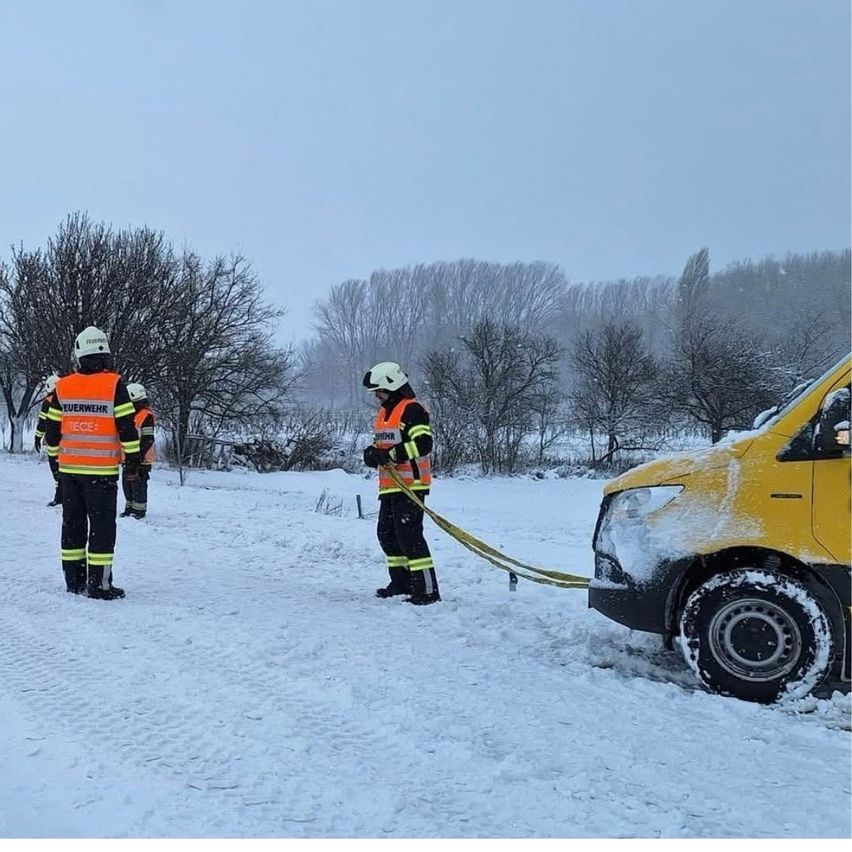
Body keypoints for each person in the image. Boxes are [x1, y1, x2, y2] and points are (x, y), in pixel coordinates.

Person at [44, 326, 141, 599]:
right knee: (101, 527)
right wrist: (132, 462)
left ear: (79, 354)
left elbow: (52, 432)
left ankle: (73, 581)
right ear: (105, 354)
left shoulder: (62, 386)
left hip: (69, 472)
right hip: (101, 473)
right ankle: (99, 585)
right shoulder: (114, 385)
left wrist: (56, 463)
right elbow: (127, 428)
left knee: (72, 525)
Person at [362, 361, 441, 605]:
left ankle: (427, 590)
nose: (376, 396)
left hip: (411, 485)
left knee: (409, 536)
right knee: (387, 535)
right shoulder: (385, 413)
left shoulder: (412, 410)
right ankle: (402, 583)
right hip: (389, 486)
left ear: (392, 387)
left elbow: (423, 444)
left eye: (379, 391)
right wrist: (372, 454)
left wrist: (392, 455)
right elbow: (383, 445)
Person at [120, 382, 155, 519]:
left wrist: (138, 457)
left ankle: (139, 510)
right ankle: (129, 508)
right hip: (128, 457)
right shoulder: (132, 415)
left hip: (141, 459)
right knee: (127, 483)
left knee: (138, 484)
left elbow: (148, 439)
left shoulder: (146, 416)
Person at [34, 373, 63, 506]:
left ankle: (60, 496)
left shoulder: (49, 401)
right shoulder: (69, 398)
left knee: (56, 468)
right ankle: (66, 496)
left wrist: (37, 437)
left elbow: (42, 422)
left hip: (55, 441)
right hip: (70, 441)